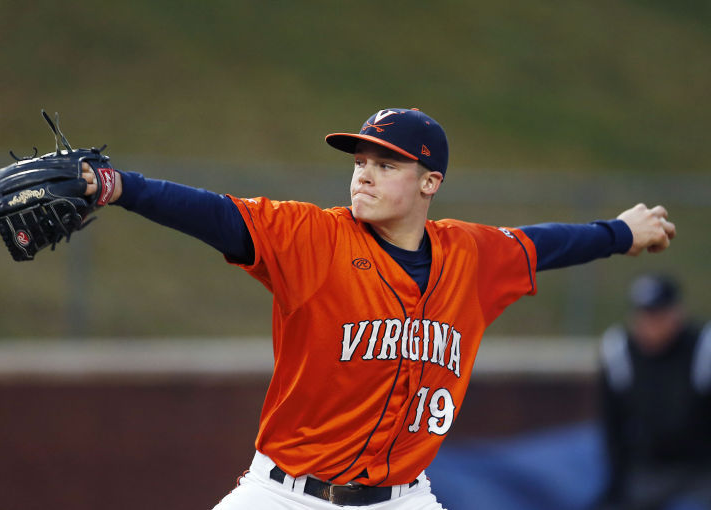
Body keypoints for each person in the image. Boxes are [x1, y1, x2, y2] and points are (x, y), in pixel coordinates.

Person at [82, 108, 676, 509]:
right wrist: (117, 187)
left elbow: (545, 244)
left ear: (429, 183)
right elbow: (215, 214)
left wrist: (622, 232)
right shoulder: (312, 238)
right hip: (285, 496)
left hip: (402, 497)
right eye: (359, 163)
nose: (363, 177)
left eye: (386, 164)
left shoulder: (471, 255)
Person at [598, 274, 711, 510]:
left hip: (701, 470)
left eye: (658, 315)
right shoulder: (619, 351)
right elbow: (612, 424)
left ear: (677, 312)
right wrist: (617, 483)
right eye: (643, 316)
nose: (650, 325)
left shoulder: (703, 348)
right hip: (648, 471)